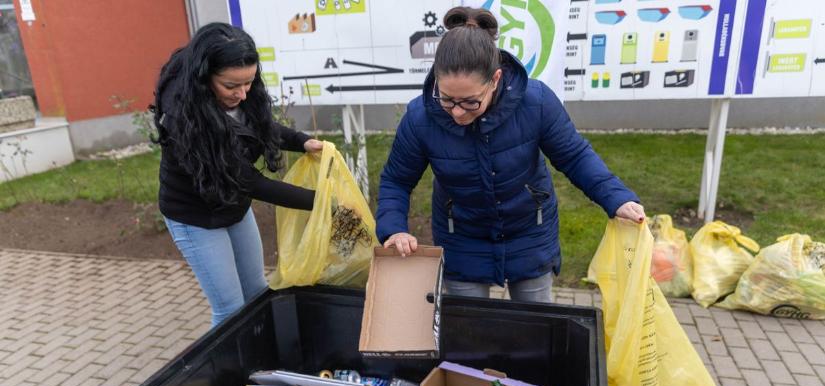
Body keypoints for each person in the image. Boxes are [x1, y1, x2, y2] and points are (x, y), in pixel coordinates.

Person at [377, 7, 645, 302]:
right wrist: (394, 229)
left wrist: (616, 197)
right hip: (461, 236)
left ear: (495, 79)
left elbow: (574, 155)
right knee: (471, 331)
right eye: (447, 99)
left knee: (535, 328)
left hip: (530, 230)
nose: (456, 111)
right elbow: (397, 180)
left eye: (469, 102)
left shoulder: (536, 101)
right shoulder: (420, 117)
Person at [153, 23, 322, 326]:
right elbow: (247, 180)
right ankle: (230, 371)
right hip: (196, 216)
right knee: (229, 308)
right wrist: (320, 201)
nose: (243, 94)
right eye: (232, 86)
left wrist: (301, 141)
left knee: (257, 291)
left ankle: (259, 354)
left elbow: (259, 125)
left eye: (249, 83)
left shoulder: (240, 88)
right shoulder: (182, 113)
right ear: (204, 77)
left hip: (233, 203)